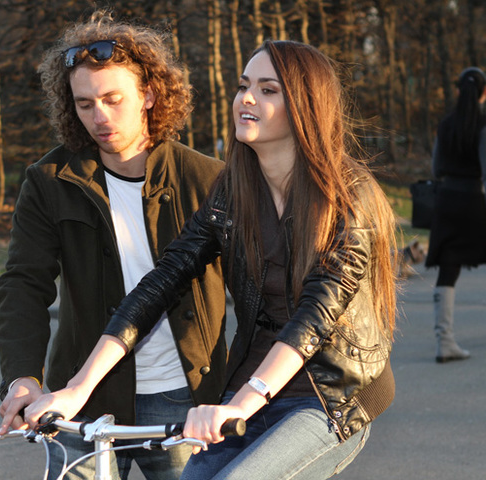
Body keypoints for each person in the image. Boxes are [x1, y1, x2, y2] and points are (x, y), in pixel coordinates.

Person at [24, 40, 398, 480]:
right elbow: (162, 282)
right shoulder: (235, 191)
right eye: (243, 86)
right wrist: (77, 388)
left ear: (307, 106)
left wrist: (241, 403)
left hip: (330, 395)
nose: (247, 99)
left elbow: (315, 316)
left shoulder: (349, 196)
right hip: (254, 386)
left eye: (268, 90)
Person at [0, 10, 227, 480]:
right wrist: (22, 377)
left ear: (149, 95)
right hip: (80, 398)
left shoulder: (208, 179)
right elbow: (23, 284)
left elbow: (255, 293)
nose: (99, 117)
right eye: (84, 104)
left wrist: (242, 393)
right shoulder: (49, 180)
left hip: (184, 399)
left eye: (112, 99)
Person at [425, 67, 486, 363]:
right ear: (484, 93)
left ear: (459, 90)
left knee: (448, 269)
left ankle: (444, 341)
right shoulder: (483, 124)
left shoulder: (446, 124)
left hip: (446, 201)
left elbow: (436, 168)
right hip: (474, 200)